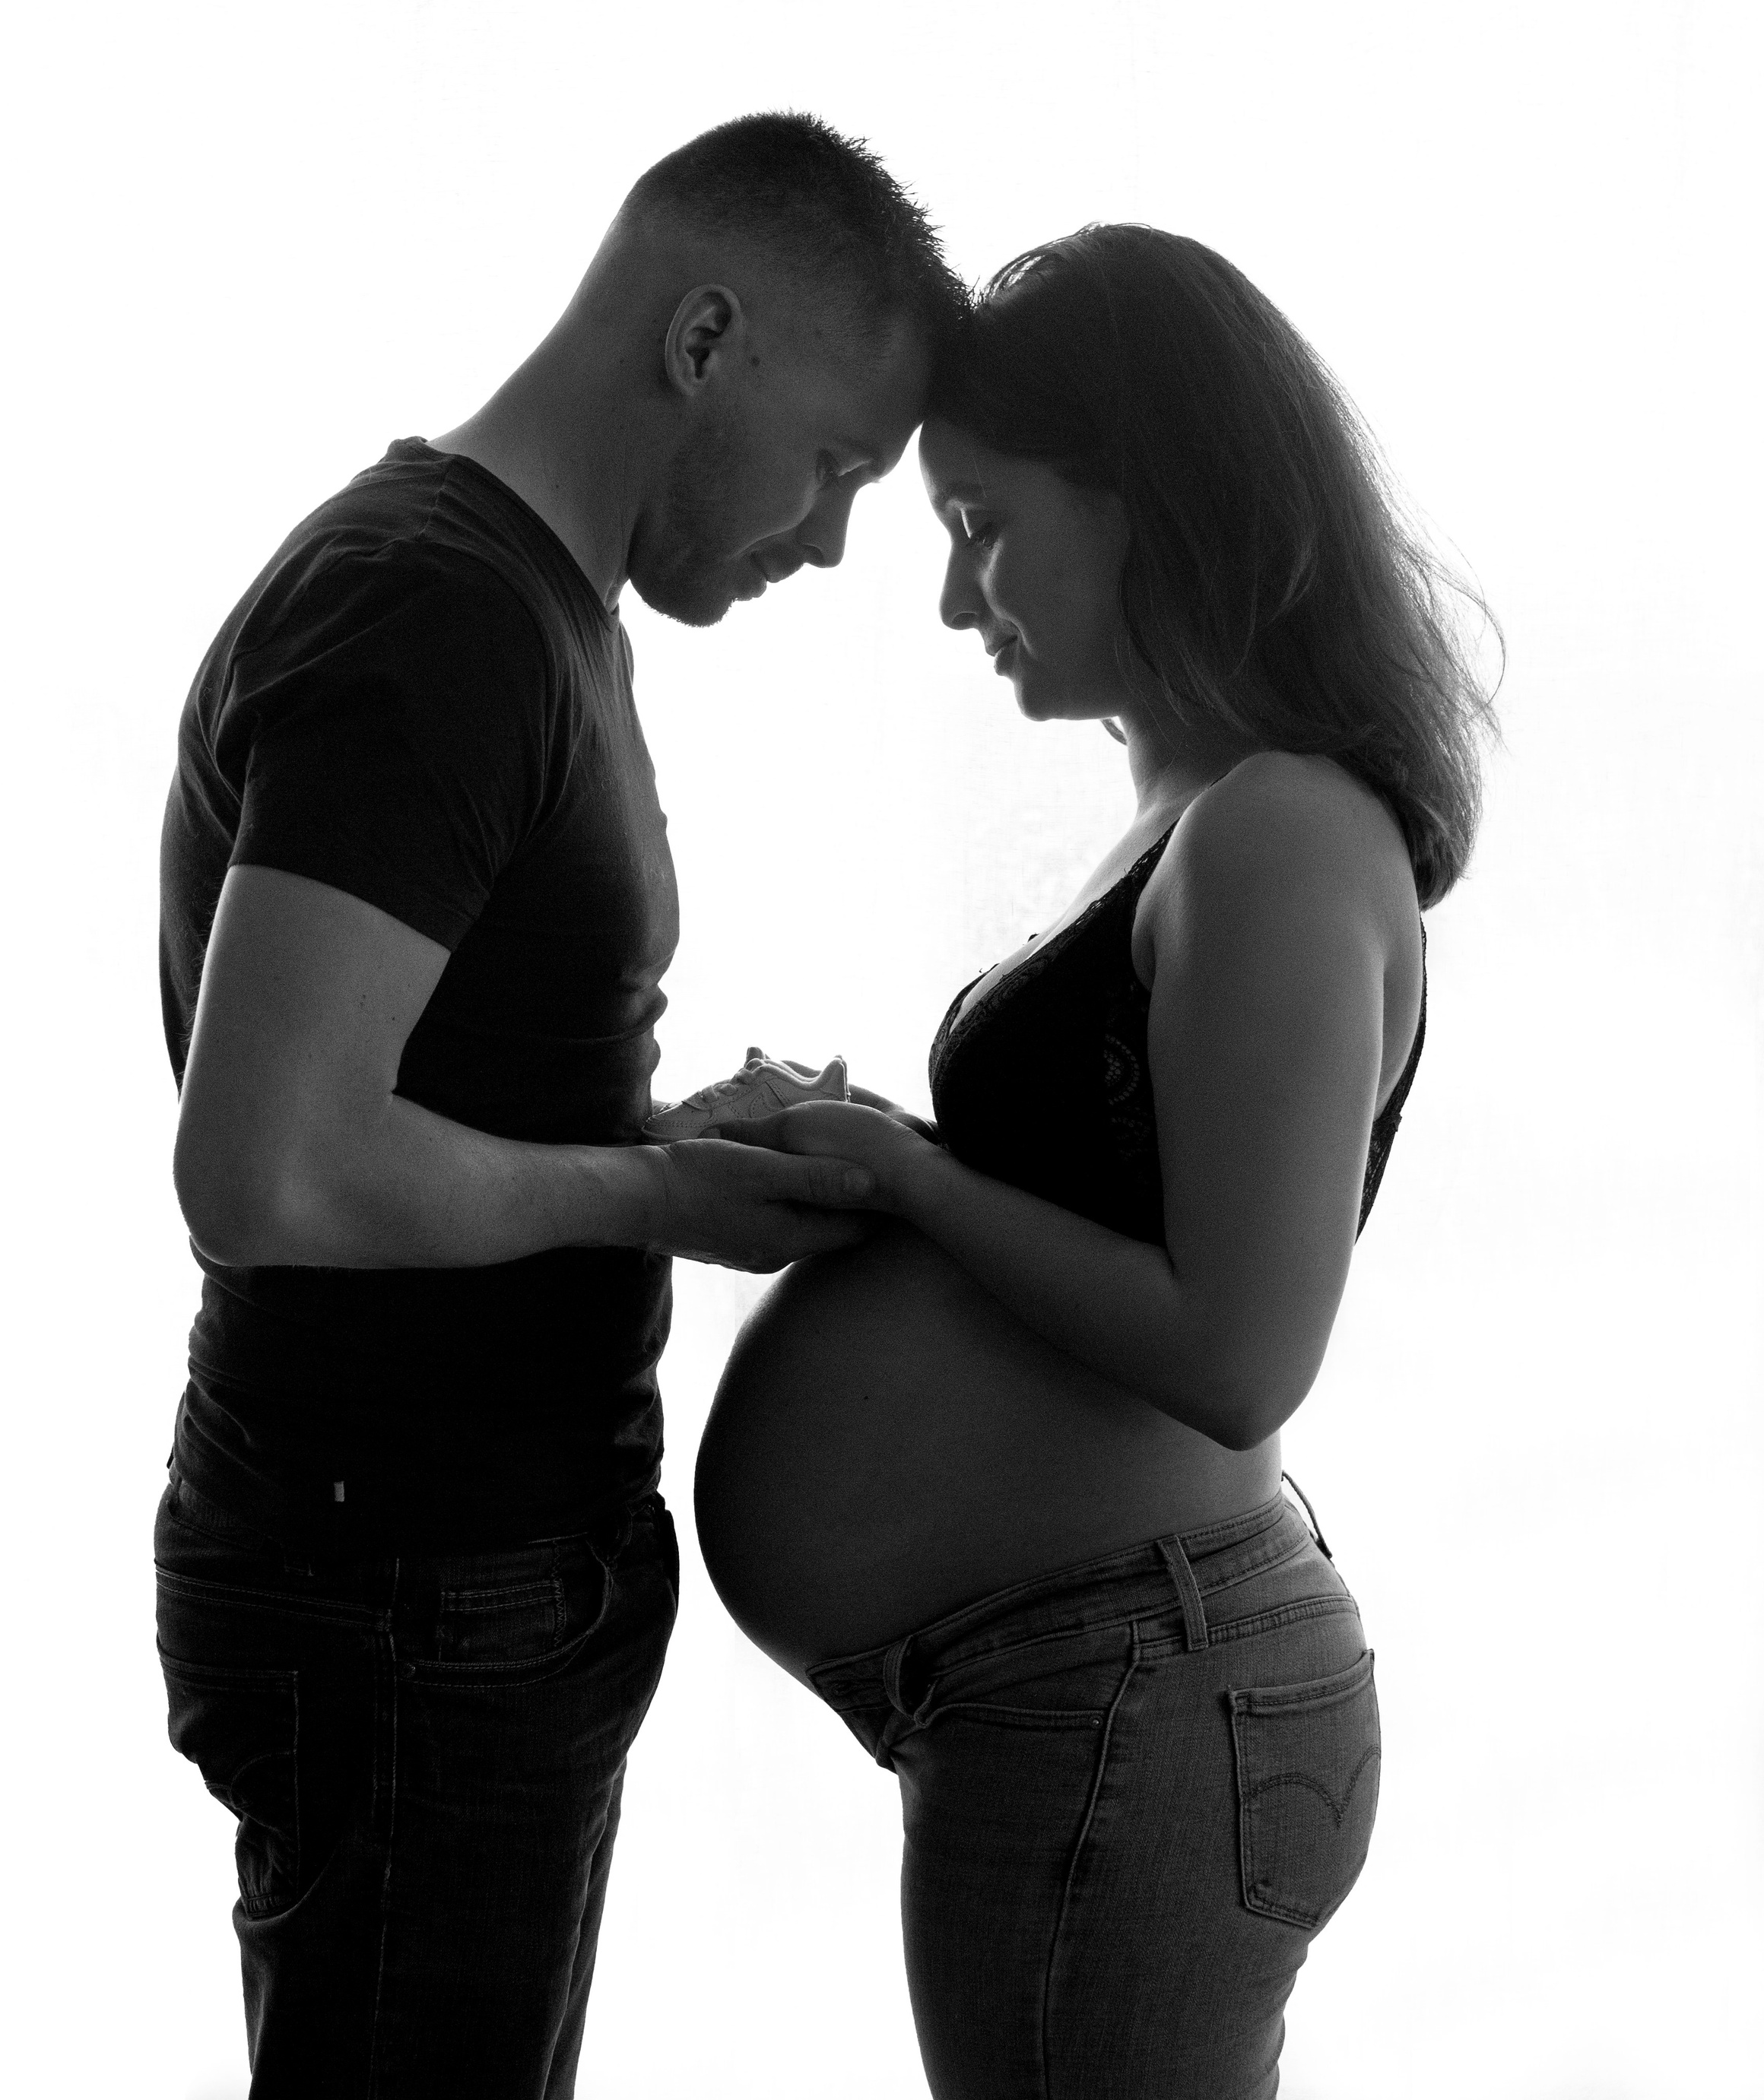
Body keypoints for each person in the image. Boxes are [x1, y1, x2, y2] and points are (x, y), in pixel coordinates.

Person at [154, 112, 963, 2098]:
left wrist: (680, 1133)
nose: (834, 538)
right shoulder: (431, 619)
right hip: (404, 1591)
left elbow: (421, 1093)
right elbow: (268, 1165)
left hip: (467, 1582)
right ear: (704, 338)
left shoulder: (529, 608)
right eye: (843, 467)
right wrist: (658, 1186)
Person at [695, 224, 1499, 2099]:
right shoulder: (1200, 813)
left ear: (1145, 498)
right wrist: (879, 1149)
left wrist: (910, 1184)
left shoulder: (1278, 832)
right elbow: (1112, 1225)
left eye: (984, 527)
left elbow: (1236, 1350)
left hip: (1141, 1682)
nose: (961, 601)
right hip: (1089, 1680)